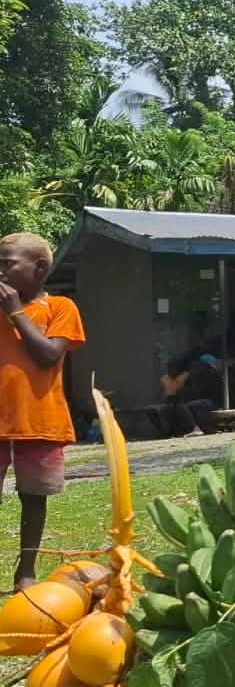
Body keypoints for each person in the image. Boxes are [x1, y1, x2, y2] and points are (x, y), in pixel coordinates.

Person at [0, 233, 85, 588]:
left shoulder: (61, 307)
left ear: (40, 268)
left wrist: (16, 313)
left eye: (7, 263)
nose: (0, 270)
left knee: (33, 498)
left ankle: (26, 570)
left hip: (40, 421)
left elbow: (49, 356)